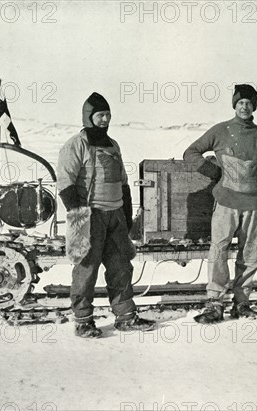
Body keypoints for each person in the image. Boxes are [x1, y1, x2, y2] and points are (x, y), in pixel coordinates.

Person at [57, 92, 156, 338]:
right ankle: (83, 320)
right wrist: (78, 217)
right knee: (86, 269)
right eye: (100, 115)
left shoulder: (113, 145)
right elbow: (65, 183)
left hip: (115, 217)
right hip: (88, 217)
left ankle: (125, 316)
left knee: (121, 266)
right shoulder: (76, 145)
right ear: (88, 117)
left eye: (107, 115)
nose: (104, 120)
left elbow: (122, 181)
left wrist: (126, 214)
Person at [183, 84, 257, 324]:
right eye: (240, 103)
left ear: (254, 106)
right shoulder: (221, 131)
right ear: (234, 105)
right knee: (218, 250)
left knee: (250, 254)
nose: (244, 107)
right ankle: (215, 303)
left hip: (254, 205)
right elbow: (191, 152)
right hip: (225, 203)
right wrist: (214, 172)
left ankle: (242, 303)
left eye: (248, 103)